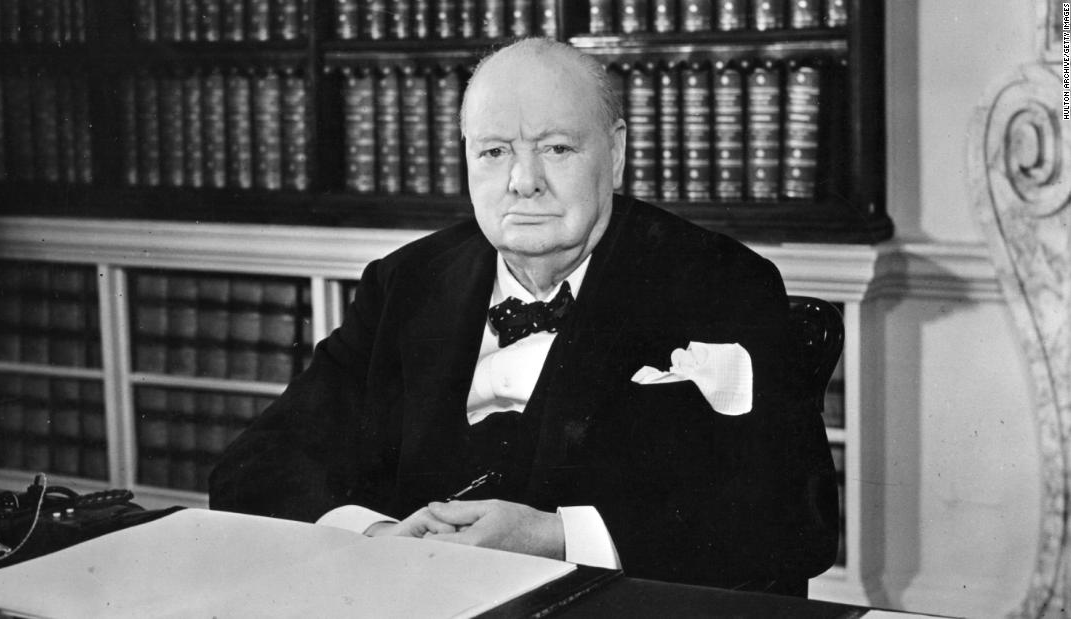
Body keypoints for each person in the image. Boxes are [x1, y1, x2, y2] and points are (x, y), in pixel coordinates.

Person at [210, 37, 837, 595]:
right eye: (493, 152)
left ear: (614, 154)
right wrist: (375, 532)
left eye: (557, 148)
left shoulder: (723, 282)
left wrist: (557, 536)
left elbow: (794, 521)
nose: (523, 181)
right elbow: (254, 465)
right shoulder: (405, 282)